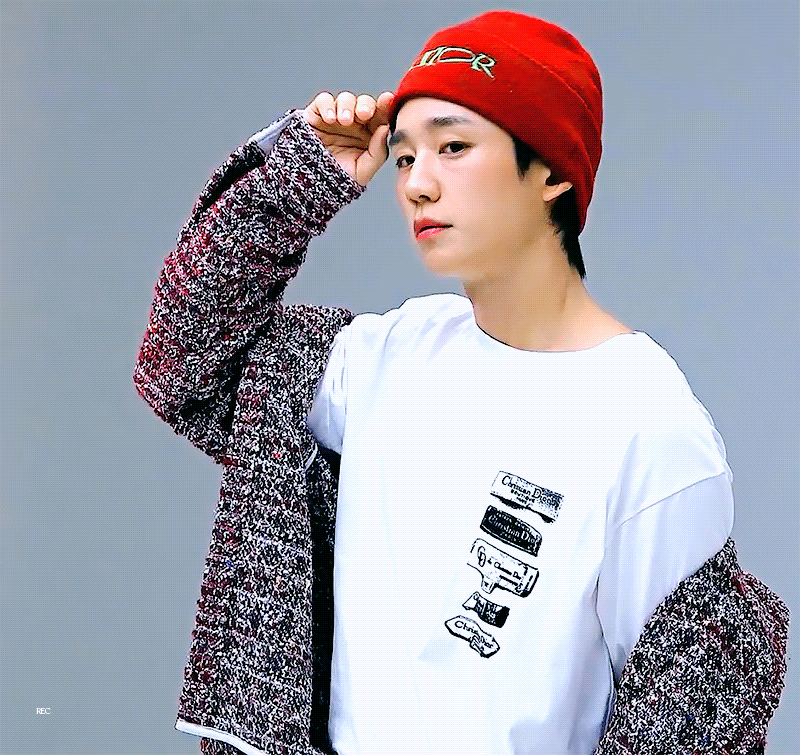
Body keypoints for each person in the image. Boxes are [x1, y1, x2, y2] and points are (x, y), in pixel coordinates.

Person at [133, 11, 788, 755]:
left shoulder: (650, 427)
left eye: (453, 147)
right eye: (405, 157)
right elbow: (181, 363)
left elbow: (691, 722)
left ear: (552, 171)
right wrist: (299, 178)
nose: (418, 184)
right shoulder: (378, 359)